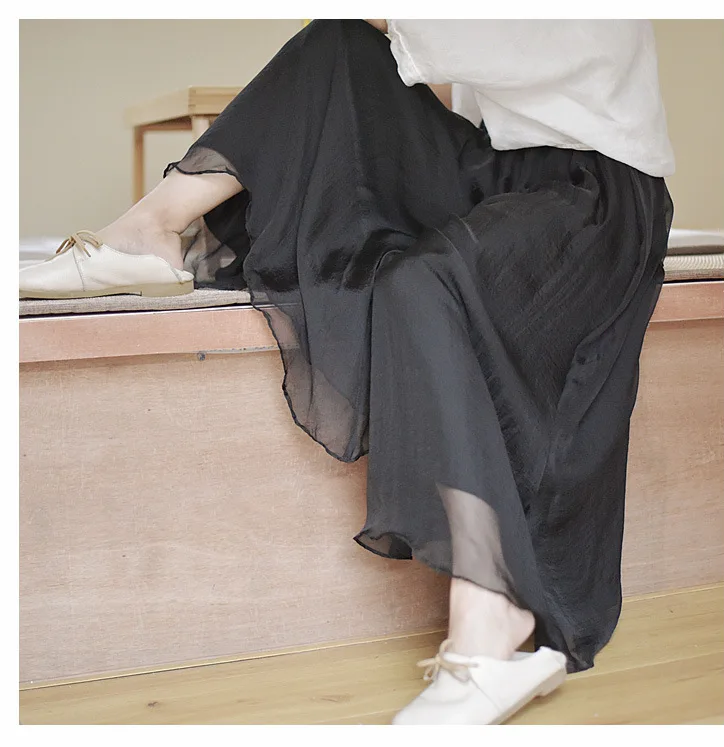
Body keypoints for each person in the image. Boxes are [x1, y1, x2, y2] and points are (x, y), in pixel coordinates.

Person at [19, 20, 674, 725]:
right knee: (337, 44)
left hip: (599, 187)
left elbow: (539, 40)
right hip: (494, 167)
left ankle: (492, 615)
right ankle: (149, 228)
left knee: (418, 284)